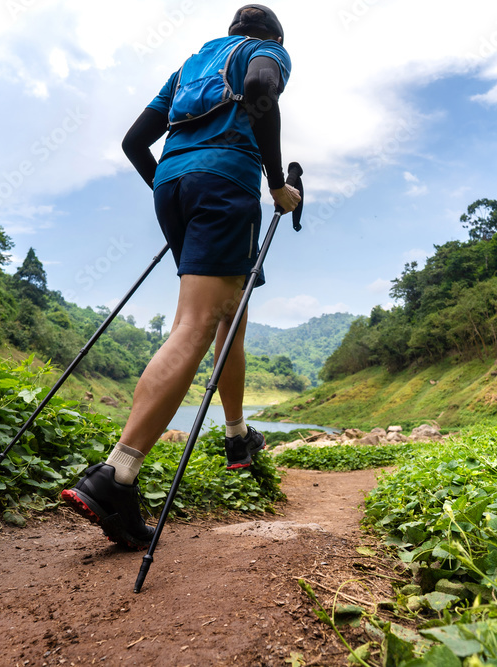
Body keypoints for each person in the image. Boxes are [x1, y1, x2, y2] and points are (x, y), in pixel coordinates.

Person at [61, 5, 300, 549]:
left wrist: (176, 187)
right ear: (273, 36)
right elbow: (264, 86)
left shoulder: (191, 64)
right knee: (196, 325)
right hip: (226, 184)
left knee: (228, 315)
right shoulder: (265, 52)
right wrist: (275, 184)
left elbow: (133, 142)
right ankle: (115, 474)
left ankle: (237, 437)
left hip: (173, 185)